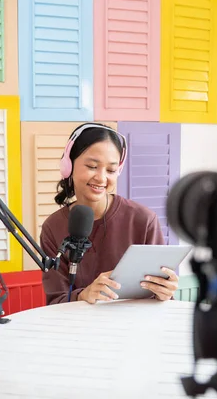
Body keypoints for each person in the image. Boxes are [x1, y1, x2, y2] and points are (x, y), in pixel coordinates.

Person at [40, 123, 180, 305]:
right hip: (78, 329)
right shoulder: (53, 227)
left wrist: (166, 293)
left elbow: (161, 297)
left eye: (111, 170)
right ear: (69, 165)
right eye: (92, 166)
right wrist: (84, 295)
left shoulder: (143, 220)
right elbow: (55, 302)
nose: (101, 177)